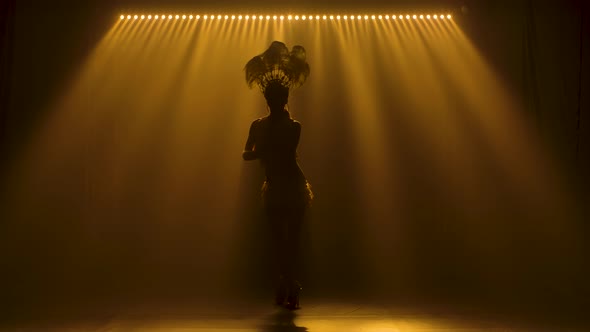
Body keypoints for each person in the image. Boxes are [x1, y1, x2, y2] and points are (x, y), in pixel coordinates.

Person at [242, 41, 312, 310]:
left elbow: (284, 151)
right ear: (266, 100)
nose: (272, 103)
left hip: (292, 187)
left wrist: (262, 151)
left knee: (290, 240)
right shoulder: (258, 126)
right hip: (273, 186)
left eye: (276, 99)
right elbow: (246, 152)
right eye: (269, 99)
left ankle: (288, 285)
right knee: (277, 241)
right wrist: (261, 153)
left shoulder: (294, 126)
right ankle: (289, 284)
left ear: (283, 100)